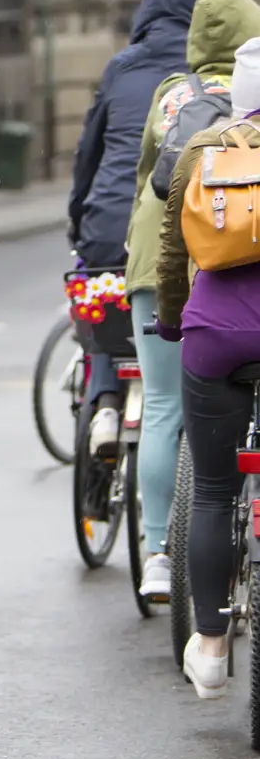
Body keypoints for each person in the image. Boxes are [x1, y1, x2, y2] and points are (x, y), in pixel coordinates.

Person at [125, 0, 260, 599]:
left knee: (160, 405)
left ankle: (157, 551)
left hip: (165, 263)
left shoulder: (173, 96)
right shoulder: (250, 97)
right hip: (234, 274)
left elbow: (151, 178)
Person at [69, 0, 217, 463]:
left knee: (103, 306)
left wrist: (79, 224)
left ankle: (106, 401)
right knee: (169, 386)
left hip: (108, 228)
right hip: (184, 234)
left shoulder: (122, 67)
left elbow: (87, 157)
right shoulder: (208, 77)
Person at [156, 36, 260, 701]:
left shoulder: (205, 148)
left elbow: (171, 253)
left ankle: (213, 646)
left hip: (216, 339)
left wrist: (172, 322)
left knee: (216, 491)